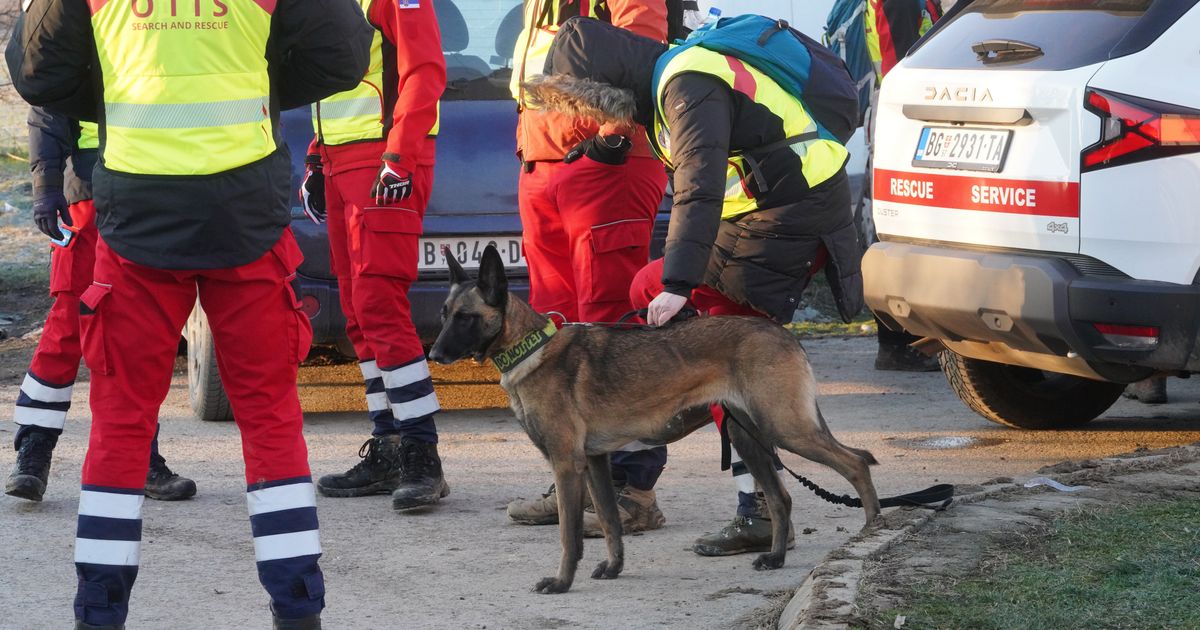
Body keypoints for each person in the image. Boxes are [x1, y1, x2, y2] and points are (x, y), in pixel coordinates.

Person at [7, 0, 373, 627]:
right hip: (245, 215)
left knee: (120, 426)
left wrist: (113, 91)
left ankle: (98, 613)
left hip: (136, 213)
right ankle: (298, 611)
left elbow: (36, 73)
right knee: (271, 421)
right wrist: (265, 78)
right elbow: (343, 57)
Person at [523, 17, 864, 556]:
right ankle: (688, 408)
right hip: (760, 212)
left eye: (593, 107)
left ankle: (754, 507)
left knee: (723, 356)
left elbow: (699, 189)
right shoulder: (672, 81)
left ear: (608, 87)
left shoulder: (686, 82)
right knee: (645, 288)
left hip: (789, 217)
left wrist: (680, 284)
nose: (594, 121)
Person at [502, 0, 672, 537]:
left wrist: (612, 140)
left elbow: (642, 46)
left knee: (615, 330)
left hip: (602, 162)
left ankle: (633, 491)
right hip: (549, 162)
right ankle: (575, 483)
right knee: (558, 335)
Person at [300, 0, 450, 512]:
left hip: (384, 159)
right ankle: (388, 447)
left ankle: (421, 454)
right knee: (359, 311)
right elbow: (335, 85)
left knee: (379, 303)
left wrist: (400, 155)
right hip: (344, 160)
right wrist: (316, 158)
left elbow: (425, 70)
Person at [7, 107, 195, 504]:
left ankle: (143, 457)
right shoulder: (75, 42)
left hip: (147, 189)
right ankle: (34, 452)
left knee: (138, 333)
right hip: (88, 195)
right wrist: (46, 187)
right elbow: (47, 112)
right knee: (68, 328)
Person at [859, 0, 942, 371]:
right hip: (907, 115)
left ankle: (911, 339)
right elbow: (899, 67)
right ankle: (896, 343)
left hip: (912, 113)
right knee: (896, 229)